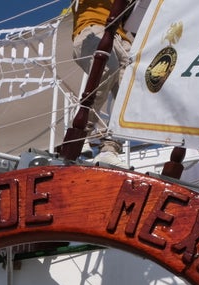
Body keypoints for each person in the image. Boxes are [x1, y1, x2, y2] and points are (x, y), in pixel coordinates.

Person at [71, 0, 135, 166]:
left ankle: (110, 149)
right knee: (108, 67)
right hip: (91, 30)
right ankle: (80, 133)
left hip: (122, 39)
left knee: (133, 91)